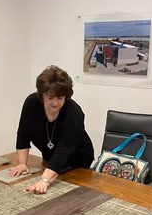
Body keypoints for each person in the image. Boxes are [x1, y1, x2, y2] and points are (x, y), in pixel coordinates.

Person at [9, 65, 94, 194]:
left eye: (60, 98)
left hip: (78, 164)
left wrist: (45, 180)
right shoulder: (32, 104)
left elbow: (65, 150)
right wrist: (22, 163)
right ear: (42, 95)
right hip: (50, 160)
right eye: (50, 98)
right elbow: (23, 134)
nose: (55, 103)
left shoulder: (74, 112)